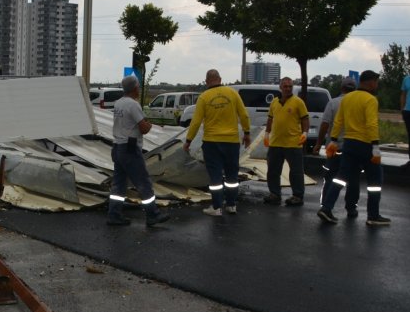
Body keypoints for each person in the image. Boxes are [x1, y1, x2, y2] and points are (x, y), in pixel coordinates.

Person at [317, 70, 390, 226]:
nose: (377, 85)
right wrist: (375, 146)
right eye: (376, 82)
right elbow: (371, 123)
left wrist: (333, 140)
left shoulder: (348, 98)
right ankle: (373, 215)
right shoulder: (371, 99)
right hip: (365, 144)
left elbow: (338, 121)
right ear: (370, 82)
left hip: (348, 144)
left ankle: (326, 208)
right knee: (375, 180)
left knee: (340, 177)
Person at [183, 69, 251, 216]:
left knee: (215, 175)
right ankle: (231, 205)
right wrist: (247, 133)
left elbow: (195, 122)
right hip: (232, 142)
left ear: (207, 81)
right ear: (220, 79)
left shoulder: (204, 97)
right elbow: (244, 115)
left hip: (212, 143)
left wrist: (188, 141)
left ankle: (216, 207)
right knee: (232, 175)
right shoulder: (233, 93)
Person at [107, 75, 170, 228]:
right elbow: (143, 128)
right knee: (143, 182)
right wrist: (149, 125)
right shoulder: (133, 105)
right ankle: (152, 214)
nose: (139, 89)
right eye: (138, 87)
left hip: (117, 147)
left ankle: (114, 215)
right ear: (135, 88)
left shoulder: (118, 103)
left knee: (119, 184)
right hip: (130, 149)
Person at [312, 77, 360, 216]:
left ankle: (326, 205)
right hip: (353, 148)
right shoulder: (358, 104)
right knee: (353, 179)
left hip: (334, 147)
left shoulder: (333, 103)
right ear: (354, 89)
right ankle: (351, 208)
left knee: (331, 177)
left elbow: (325, 124)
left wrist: (318, 144)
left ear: (341, 88)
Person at [263, 77, 309, 206]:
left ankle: (297, 196)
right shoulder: (274, 102)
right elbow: (270, 119)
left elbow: (305, 119)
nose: (288, 89)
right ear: (280, 87)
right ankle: (274, 194)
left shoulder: (298, 102)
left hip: (293, 143)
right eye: (285, 86)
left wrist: (305, 132)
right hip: (275, 143)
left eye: (290, 86)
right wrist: (267, 133)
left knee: (296, 172)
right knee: (273, 171)